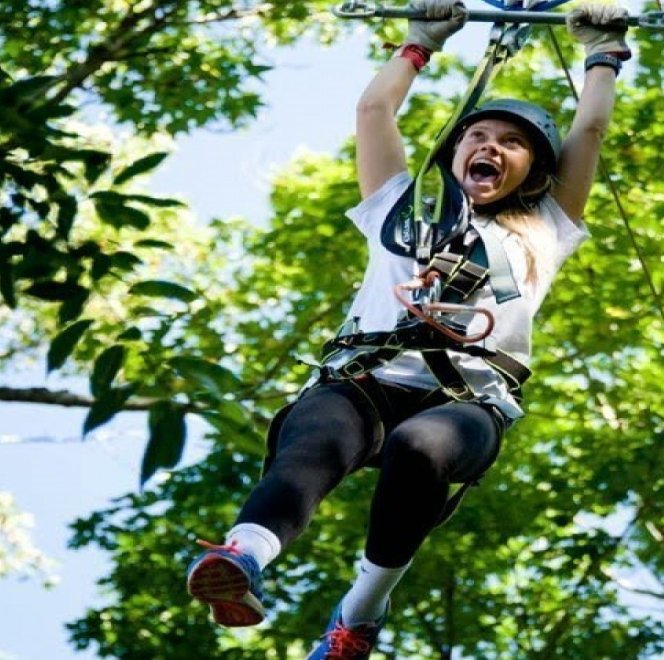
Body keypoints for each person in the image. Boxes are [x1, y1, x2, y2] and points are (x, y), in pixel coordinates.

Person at [186, 0, 631, 657]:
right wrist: (418, 43)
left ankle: (359, 615)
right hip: (364, 381)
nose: (490, 147)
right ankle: (244, 556)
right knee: (315, 435)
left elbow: (588, 133)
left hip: (466, 402)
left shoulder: (544, 228)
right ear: (454, 154)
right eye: (478, 137)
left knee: (421, 450)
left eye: (511, 144)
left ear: (535, 171)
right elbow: (374, 114)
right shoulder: (399, 209)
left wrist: (602, 54)